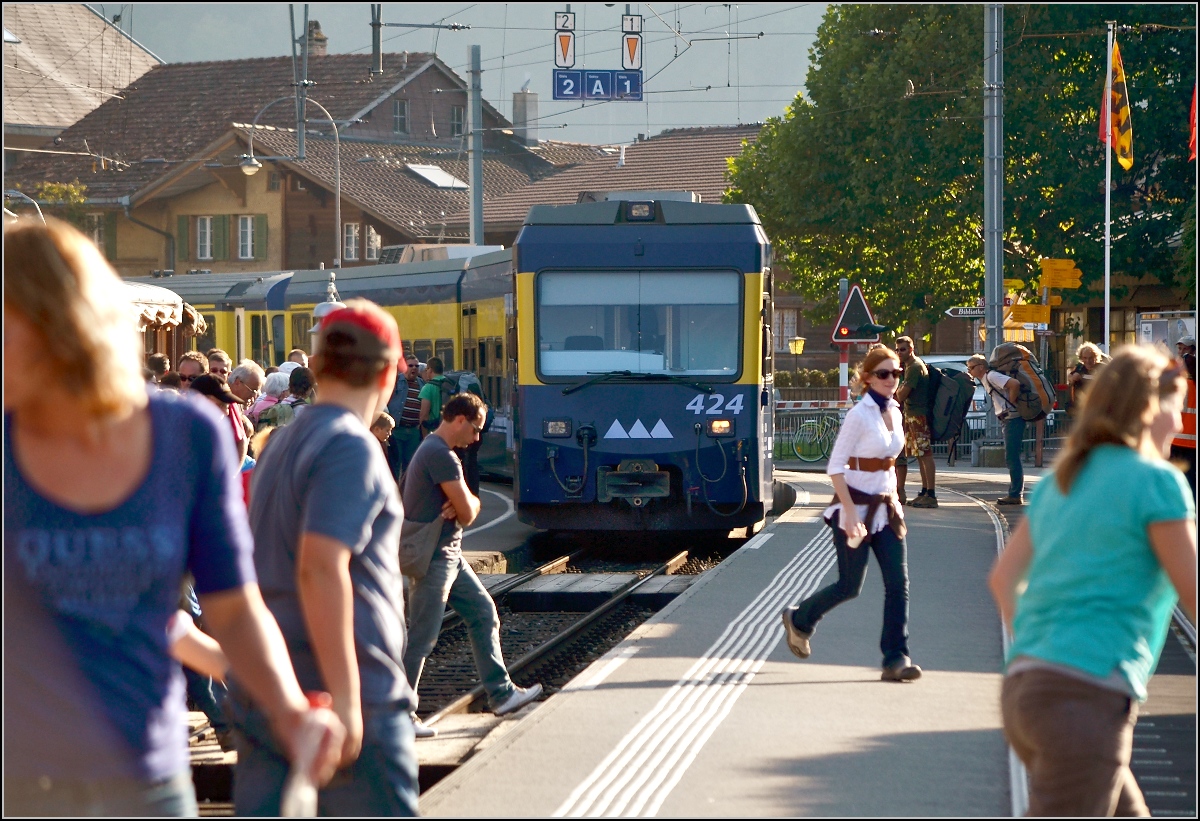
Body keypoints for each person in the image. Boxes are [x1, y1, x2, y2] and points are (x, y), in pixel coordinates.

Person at [3, 217, 342, 816]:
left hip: (146, 784)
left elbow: (234, 609)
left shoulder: (184, 437)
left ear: (59, 326)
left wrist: (290, 709)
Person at [988, 345, 1196, 817]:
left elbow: (1004, 580)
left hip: (1027, 689)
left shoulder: (1066, 476)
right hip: (1085, 699)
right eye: (1176, 409)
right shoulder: (1157, 482)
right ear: (1147, 409)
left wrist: (1047, 651)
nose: (1180, 425)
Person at [233, 299, 419, 816]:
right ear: (387, 373)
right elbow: (320, 566)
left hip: (273, 696)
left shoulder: (279, 446)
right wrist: (347, 699)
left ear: (314, 367)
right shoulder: (351, 446)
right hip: (343, 696)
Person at [403, 392, 544, 739]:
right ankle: (399, 716)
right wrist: (465, 501)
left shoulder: (432, 451)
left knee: (484, 614)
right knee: (421, 638)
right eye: (476, 429)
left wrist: (464, 501)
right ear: (460, 420)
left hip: (450, 556)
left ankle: (502, 694)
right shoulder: (441, 455)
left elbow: (464, 508)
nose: (477, 438)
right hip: (436, 558)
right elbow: (466, 512)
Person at [780, 345, 921, 682]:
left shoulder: (897, 411)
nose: (891, 379)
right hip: (854, 511)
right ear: (868, 377)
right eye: (884, 374)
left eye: (896, 373)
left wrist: (895, 501)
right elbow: (835, 466)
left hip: (886, 512)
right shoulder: (859, 415)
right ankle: (800, 620)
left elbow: (890, 462)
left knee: (898, 585)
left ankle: (895, 657)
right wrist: (849, 512)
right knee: (849, 586)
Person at [967, 353, 1026, 505]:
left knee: (1012, 456)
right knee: (1011, 456)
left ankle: (1015, 494)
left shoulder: (992, 376)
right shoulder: (987, 378)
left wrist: (1010, 405)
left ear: (981, 367)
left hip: (1012, 418)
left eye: (971, 368)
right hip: (1008, 419)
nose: (970, 371)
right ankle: (1015, 493)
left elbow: (1014, 384)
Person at [893, 336, 937, 508]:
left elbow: (901, 395)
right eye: (897, 349)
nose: (899, 353)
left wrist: (900, 389)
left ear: (911, 349)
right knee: (920, 455)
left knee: (925, 454)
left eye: (902, 349)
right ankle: (925, 491)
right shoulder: (910, 366)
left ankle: (931, 494)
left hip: (918, 415)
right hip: (911, 414)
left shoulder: (914, 367)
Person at [386, 355, 424, 481]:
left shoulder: (421, 384)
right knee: (395, 464)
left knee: (410, 465)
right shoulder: (395, 381)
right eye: (411, 365)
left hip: (413, 431)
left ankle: (406, 494)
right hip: (397, 430)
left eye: (416, 366)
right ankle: (394, 492)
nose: (414, 368)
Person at [1170, 335, 1196, 494]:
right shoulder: (1175, 375)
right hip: (1175, 439)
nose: (1181, 352)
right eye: (1179, 348)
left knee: (1189, 484)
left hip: (1190, 441)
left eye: (1185, 349)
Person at [1067, 341, 1108, 410]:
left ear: (1096, 357)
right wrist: (1073, 378)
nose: (1088, 361)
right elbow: (1070, 377)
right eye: (1085, 358)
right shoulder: (1080, 367)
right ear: (1081, 358)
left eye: (1091, 358)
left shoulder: (1103, 368)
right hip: (1081, 408)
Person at [417, 356, 450, 433]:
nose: (426, 372)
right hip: (449, 429)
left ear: (430, 370)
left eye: (426, 369)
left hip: (434, 430)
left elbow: (424, 415)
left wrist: (425, 437)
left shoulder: (428, 388)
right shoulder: (449, 384)